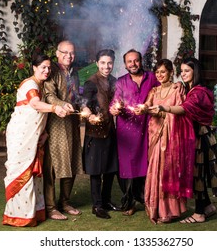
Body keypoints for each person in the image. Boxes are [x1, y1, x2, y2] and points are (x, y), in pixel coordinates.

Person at [2, 54, 67, 227]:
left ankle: (33, 213)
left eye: (48, 68)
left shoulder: (40, 84)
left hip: (34, 136)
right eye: (43, 67)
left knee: (34, 173)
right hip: (21, 136)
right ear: (34, 68)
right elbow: (35, 105)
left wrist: (44, 132)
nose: (47, 71)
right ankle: (18, 215)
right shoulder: (30, 84)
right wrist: (55, 108)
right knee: (21, 171)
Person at [134, 59, 195, 224]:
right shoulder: (154, 91)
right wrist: (141, 109)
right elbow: (146, 106)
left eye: (163, 71)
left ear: (170, 73)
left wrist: (162, 112)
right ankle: (156, 208)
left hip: (171, 137)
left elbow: (183, 111)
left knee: (168, 171)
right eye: (157, 72)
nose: (160, 75)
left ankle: (170, 211)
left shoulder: (178, 89)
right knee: (156, 169)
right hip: (155, 135)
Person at [168, 57, 217, 224]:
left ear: (195, 72)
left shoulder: (199, 92)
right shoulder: (189, 88)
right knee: (197, 174)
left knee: (197, 175)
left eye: (187, 71)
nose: (183, 74)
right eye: (181, 71)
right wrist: (178, 85)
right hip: (196, 136)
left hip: (202, 138)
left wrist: (165, 108)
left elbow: (186, 108)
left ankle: (199, 214)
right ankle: (208, 207)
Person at [43, 40, 90, 220]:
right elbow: (49, 95)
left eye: (71, 53)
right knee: (52, 165)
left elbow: (78, 94)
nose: (68, 56)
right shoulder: (51, 70)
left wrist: (84, 107)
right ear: (57, 53)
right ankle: (50, 206)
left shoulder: (75, 72)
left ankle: (65, 202)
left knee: (71, 161)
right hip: (55, 123)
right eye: (64, 52)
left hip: (71, 123)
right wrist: (63, 104)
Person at [109, 49, 159, 216]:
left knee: (146, 164)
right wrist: (114, 109)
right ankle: (129, 202)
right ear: (125, 64)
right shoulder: (121, 82)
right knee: (128, 167)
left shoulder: (151, 77)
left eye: (136, 60)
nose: (133, 64)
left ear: (141, 60)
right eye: (129, 61)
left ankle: (146, 200)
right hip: (127, 131)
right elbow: (115, 102)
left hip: (147, 128)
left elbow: (162, 93)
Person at [82, 49, 120, 219]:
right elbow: (84, 103)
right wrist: (89, 115)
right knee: (96, 170)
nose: (107, 66)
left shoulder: (114, 81)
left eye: (110, 63)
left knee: (110, 169)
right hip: (95, 132)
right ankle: (97, 206)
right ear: (97, 63)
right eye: (103, 63)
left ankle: (106, 201)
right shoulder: (91, 82)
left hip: (111, 130)